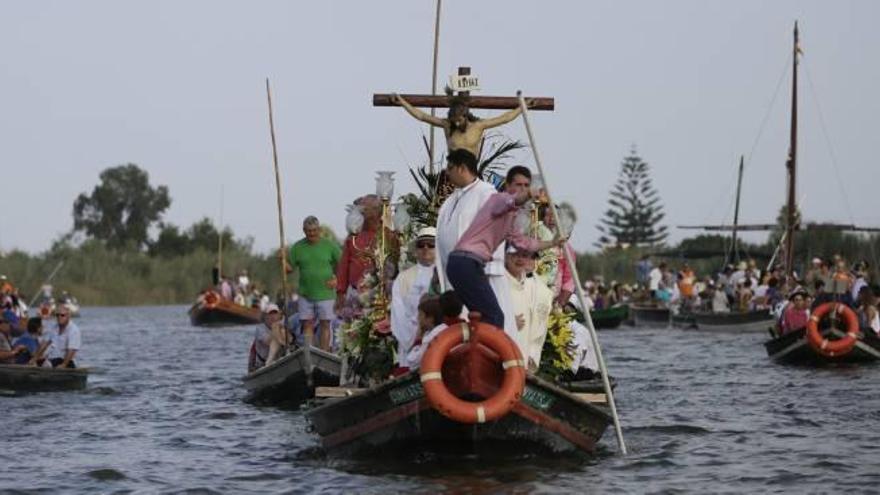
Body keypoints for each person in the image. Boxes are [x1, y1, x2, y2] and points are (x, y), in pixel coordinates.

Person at [445, 184, 562, 329]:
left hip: (464, 263)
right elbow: (511, 201)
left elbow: (526, 244)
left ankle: (476, 349)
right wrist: (529, 194)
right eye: (518, 186)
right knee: (495, 317)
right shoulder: (498, 199)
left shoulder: (509, 222)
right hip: (467, 262)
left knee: (484, 316)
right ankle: (483, 350)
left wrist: (553, 242)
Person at [435, 150, 515, 334]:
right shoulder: (451, 199)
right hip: (454, 276)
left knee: (487, 322)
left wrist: (486, 269)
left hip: (479, 274)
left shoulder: (486, 193)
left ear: (462, 168)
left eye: (450, 167)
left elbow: (494, 229)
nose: (447, 172)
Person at [392, 90, 531, 157]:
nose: (457, 124)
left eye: (459, 120)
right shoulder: (447, 125)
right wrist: (403, 102)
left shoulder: (478, 126)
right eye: (455, 121)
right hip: (453, 173)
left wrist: (521, 107)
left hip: (472, 174)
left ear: (466, 116)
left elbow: (505, 118)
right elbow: (421, 116)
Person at [335, 195, 399, 319]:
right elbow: (343, 268)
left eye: (364, 208)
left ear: (376, 211)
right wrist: (340, 293)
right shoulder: (352, 238)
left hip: (382, 295)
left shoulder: (389, 236)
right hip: (354, 296)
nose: (360, 211)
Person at [289, 216, 341, 351]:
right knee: (306, 324)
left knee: (325, 324)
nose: (311, 233)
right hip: (305, 293)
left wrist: (337, 279)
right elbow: (289, 269)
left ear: (319, 230)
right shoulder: (297, 247)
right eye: (308, 231)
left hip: (326, 293)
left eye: (314, 230)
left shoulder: (329, 246)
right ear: (303, 231)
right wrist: (282, 261)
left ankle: (323, 353)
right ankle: (310, 352)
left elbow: (343, 264)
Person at [390, 227, 437, 365]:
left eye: (431, 245)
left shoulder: (444, 275)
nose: (425, 248)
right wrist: (413, 337)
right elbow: (398, 312)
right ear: (416, 250)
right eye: (421, 245)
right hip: (410, 340)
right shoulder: (403, 277)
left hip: (439, 340)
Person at [504, 245, 553, 371]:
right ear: (505, 256)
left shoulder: (544, 291)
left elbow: (539, 328)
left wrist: (533, 354)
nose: (520, 259)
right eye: (515, 254)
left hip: (523, 361)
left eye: (525, 255)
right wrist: (508, 322)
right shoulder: (497, 282)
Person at [405, 291, 463, 369]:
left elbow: (413, 362)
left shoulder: (434, 336)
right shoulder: (449, 328)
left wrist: (418, 339)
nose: (418, 318)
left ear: (430, 318)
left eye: (420, 315)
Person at [248, 304, 287, 372]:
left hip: (279, 361)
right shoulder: (260, 328)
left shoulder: (282, 326)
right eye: (270, 314)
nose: (273, 316)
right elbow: (268, 342)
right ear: (265, 316)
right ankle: (269, 362)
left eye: (275, 314)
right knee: (276, 338)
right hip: (261, 365)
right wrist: (275, 328)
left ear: (278, 315)